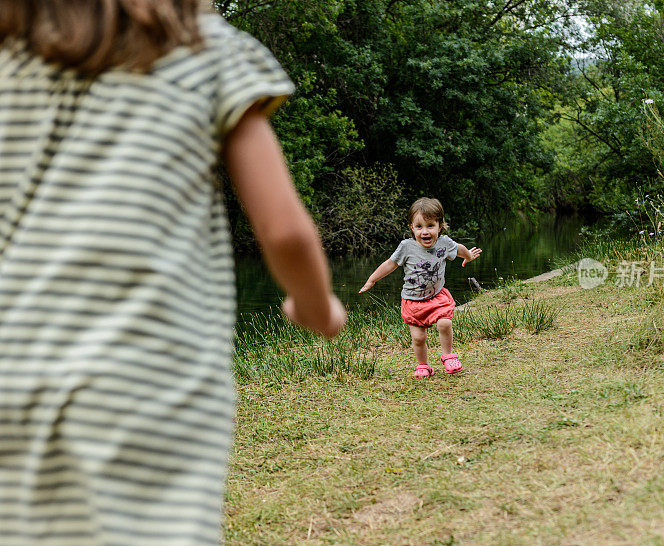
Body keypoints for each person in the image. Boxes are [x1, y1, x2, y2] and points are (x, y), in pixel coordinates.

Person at [0, 1, 345, 544]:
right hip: (146, 378)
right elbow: (284, 232)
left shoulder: (12, 58)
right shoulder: (205, 49)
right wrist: (316, 306)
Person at [359, 198, 481, 378]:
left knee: (445, 323)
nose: (425, 231)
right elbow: (390, 264)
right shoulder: (406, 247)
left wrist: (468, 255)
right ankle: (423, 366)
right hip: (413, 302)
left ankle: (448, 356)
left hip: (437, 297)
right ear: (412, 228)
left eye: (430, 226)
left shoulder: (444, 243)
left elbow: (459, 248)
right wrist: (371, 280)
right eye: (419, 227)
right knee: (418, 338)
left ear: (440, 226)